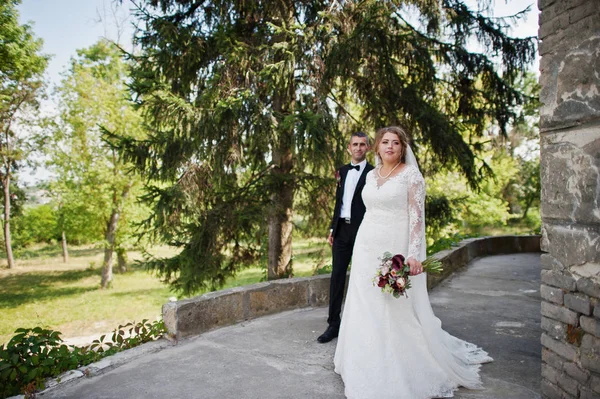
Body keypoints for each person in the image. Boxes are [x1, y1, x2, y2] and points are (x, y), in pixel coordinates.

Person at [333, 126, 492, 398]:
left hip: (395, 245)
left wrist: (413, 253)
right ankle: (360, 358)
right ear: (377, 147)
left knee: (394, 304)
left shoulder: (411, 175)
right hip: (365, 245)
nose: (390, 146)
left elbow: (417, 218)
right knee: (363, 300)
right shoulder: (370, 175)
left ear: (403, 148)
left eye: (396, 142)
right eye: (385, 142)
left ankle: (396, 362)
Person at [317, 132, 374, 344]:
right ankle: (333, 324)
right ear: (349, 147)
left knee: (364, 277)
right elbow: (338, 202)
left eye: (362, 144)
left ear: (368, 148)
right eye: (355, 144)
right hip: (341, 231)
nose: (358, 148)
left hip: (363, 231)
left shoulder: (373, 173)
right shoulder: (341, 171)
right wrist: (333, 229)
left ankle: (363, 324)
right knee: (337, 277)